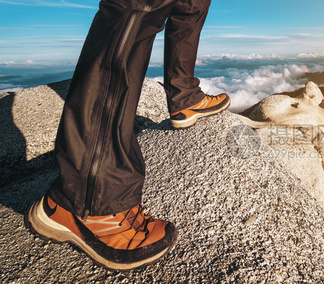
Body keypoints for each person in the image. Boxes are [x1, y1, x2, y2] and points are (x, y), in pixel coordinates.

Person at [24, 0, 230, 271]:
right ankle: (88, 197)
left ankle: (184, 95)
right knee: (142, 4)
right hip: (86, 192)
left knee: (192, 3)